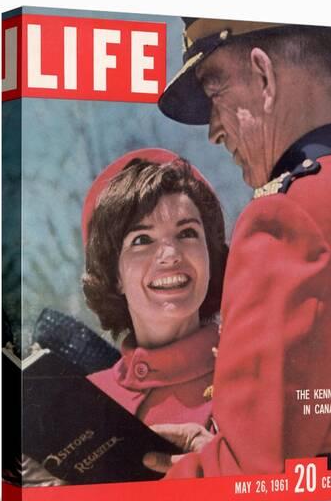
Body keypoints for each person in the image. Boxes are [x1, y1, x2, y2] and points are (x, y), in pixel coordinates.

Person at [143, 19, 331, 476]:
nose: (214, 132)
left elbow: (250, 479)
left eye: (215, 94)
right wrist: (218, 443)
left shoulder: (284, 218)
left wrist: (131, 484)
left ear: (264, 77)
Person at [82, 148, 228, 433]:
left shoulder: (253, 371)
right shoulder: (84, 401)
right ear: (115, 276)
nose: (170, 255)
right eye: (142, 239)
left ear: (209, 256)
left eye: (187, 233)